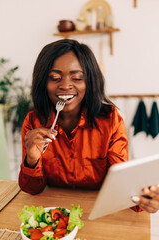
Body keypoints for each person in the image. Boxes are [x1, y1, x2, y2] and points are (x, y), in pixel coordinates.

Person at [19, 39, 159, 214]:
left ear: (90, 81)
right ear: (42, 82)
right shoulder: (33, 122)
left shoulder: (110, 119)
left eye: (77, 77)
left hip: (98, 211)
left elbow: (121, 185)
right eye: (55, 78)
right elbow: (32, 189)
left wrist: (144, 201)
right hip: (55, 209)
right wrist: (31, 159)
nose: (65, 85)